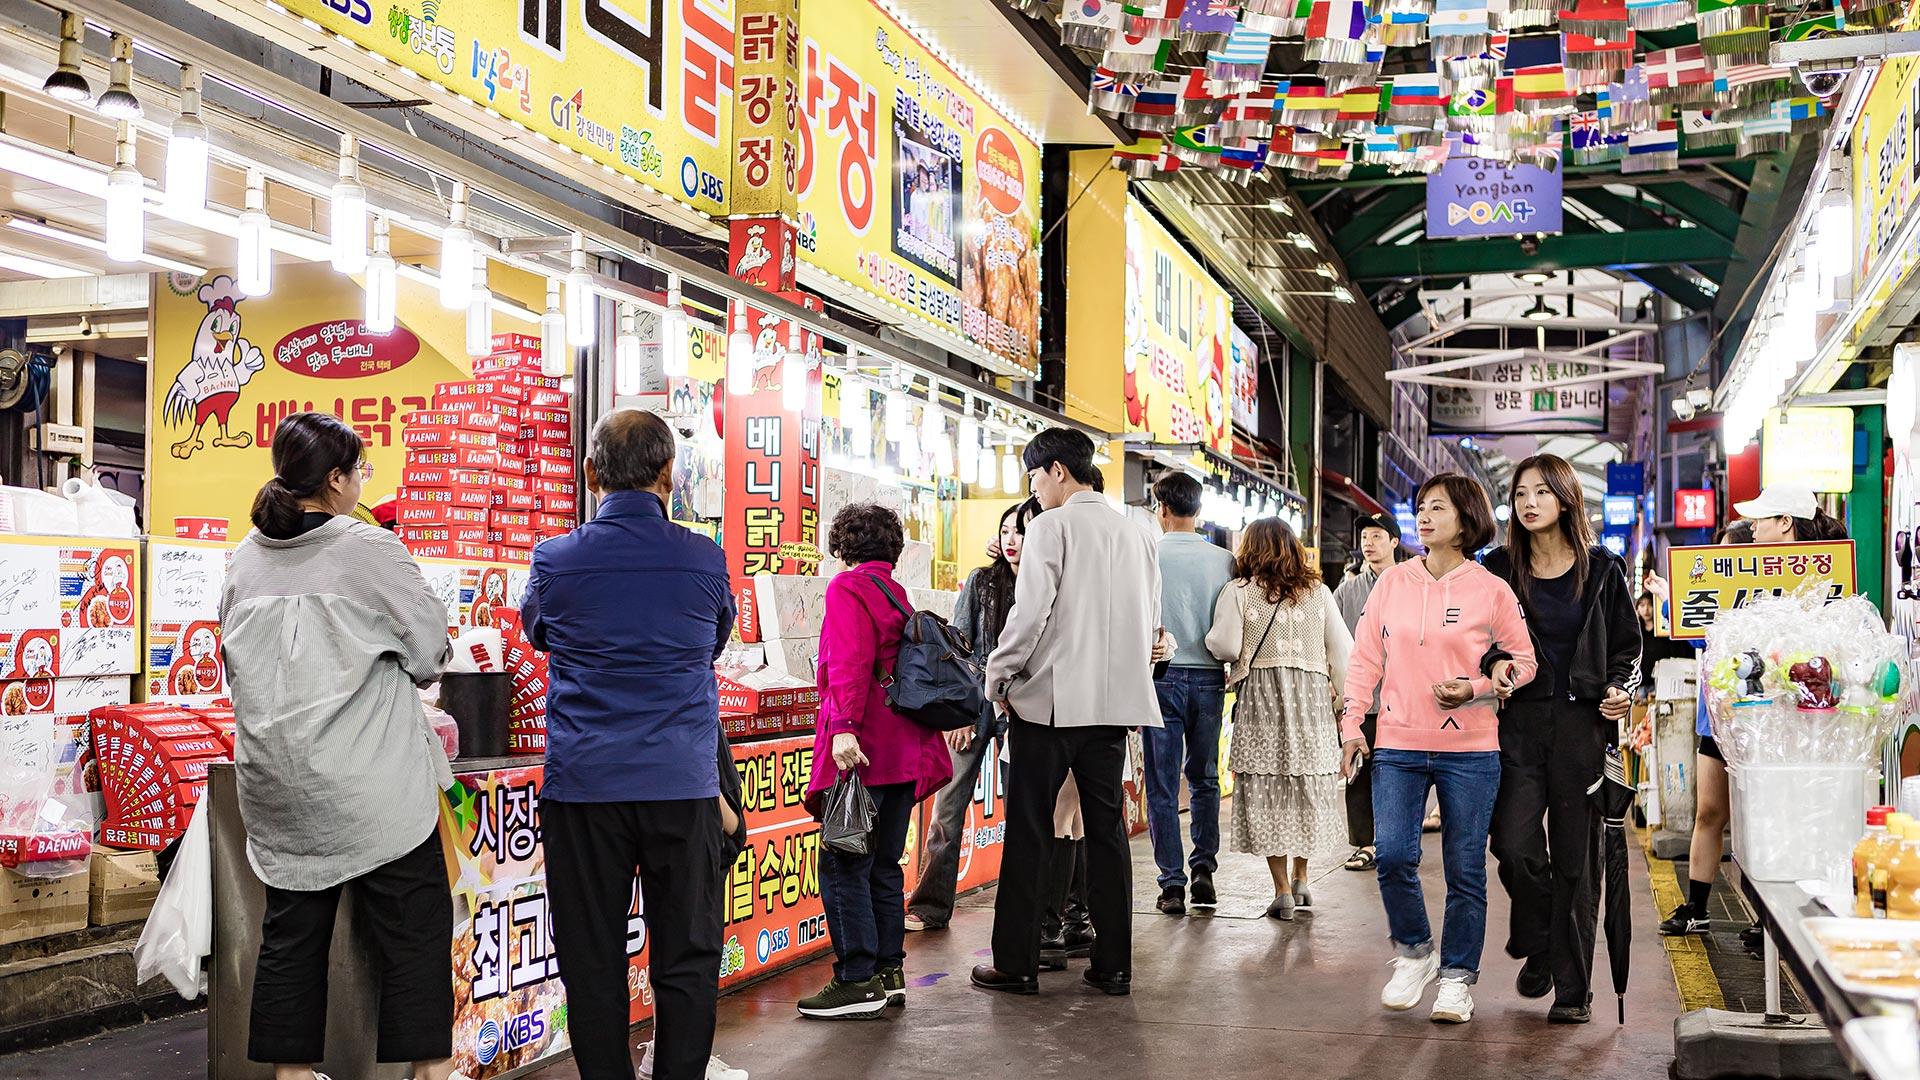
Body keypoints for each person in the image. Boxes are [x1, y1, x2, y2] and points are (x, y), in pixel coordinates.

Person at [220, 412, 461, 1080]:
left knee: (290, 934)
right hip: (369, 788)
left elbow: (233, 662)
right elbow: (429, 653)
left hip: (274, 786)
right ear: (335, 480)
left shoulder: (244, 557)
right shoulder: (368, 547)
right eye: (360, 470)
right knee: (415, 928)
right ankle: (429, 1072)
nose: (363, 480)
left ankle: (292, 1075)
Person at [523, 409, 737, 1080]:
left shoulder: (554, 559)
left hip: (585, 786)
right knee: (688, 956)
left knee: (592, 960)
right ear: (669, 473)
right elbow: (715, 641)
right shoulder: (704, 557)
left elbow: (538, 633)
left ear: (591, 474)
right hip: (682, 785)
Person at [1340, 473, 1537, 1025]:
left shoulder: (1491, 589)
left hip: (1471, 748)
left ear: (1467, 519)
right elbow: (1364, 659)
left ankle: (1457, 978)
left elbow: (1525, 662)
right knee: (1392, 855)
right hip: (1398, 741)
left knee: (1464, 868)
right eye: (1421, 507)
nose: (1424, 517)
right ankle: (1414, 952)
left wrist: (1477, 688)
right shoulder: (1392, 583)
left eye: (1438, 508)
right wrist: (1352, 725)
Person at [972, 427, 1162, 997]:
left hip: (1050, 707)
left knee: (1030, 832)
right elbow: (1151, 624)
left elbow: (1029, 616)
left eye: (1034, 476)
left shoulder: (1050, 527)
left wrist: (997, 675)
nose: (1034, 490)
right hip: (1113, 710)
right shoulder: (1137, 533)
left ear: (1057, 470)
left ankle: (1017, 964)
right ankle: (1113, 965)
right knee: (1107, 835)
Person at [1480, 454, 1641, 1025]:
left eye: (1542, 492)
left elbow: (1627, 647)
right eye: (1521, 493)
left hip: (1582, 726)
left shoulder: (1603, 569)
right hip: (1518, 724)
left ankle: (1574, 990)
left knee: (1577, 858)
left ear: (1566, 498)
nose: (1529, 503)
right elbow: (1482, 639)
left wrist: (1621, 688)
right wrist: (1495, 664)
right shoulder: (1498, 568)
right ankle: (1545, 940)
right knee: (1513, 843)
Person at [800, 503, 953, 1019]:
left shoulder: (847, 587)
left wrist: (843, 726)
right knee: (884, 865)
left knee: (844, 863)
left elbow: (848, 660)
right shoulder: (895, 592)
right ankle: (889, 973)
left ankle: (856, 979)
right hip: (903, 751)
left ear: (843, 544)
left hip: (864, 750)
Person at [1206, 517, 1353, 920]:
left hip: (1261, 702)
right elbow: (1343, 651)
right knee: (1306, 791)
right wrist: (1344, 700)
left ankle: (1282, 890)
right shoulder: (1318, 592)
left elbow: (1225, 644)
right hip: (1311, 705)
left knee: (1266, 792)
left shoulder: (1240, 591)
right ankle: (1302, 877)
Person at [906, 499, 1039, 933]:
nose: (1012, 539)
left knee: (1024, 809)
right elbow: (958, 646)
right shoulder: (982, 581)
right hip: (976, 699)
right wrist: (959, 714)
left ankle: (1020, 910)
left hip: (1023, 703)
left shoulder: (1043, 582)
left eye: (1020, 531)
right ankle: (930, 905)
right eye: (1006, 531)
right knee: (948, 805)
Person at [1145, 472, 1237, 916]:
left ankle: (1172, 884)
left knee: (1162, 785)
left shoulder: (1147, 555)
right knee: (1204, 778)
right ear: (1199, 510)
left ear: (1161, 509)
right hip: (1210, 679)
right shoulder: (1225, 561)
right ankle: (1204, 869)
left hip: (1160, 677)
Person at [1333, 513, 1401, 873]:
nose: (1369, 544)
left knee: (1398, 775)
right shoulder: (1347, 591)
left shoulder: (1411, 583)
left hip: (1403, 700)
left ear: (1394, 542)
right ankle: (1364, 843)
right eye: (1364, 538)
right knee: (1358, 773)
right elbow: (1334, 640)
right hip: (1363, 699)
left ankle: (1396, 841)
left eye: (1377, 536)